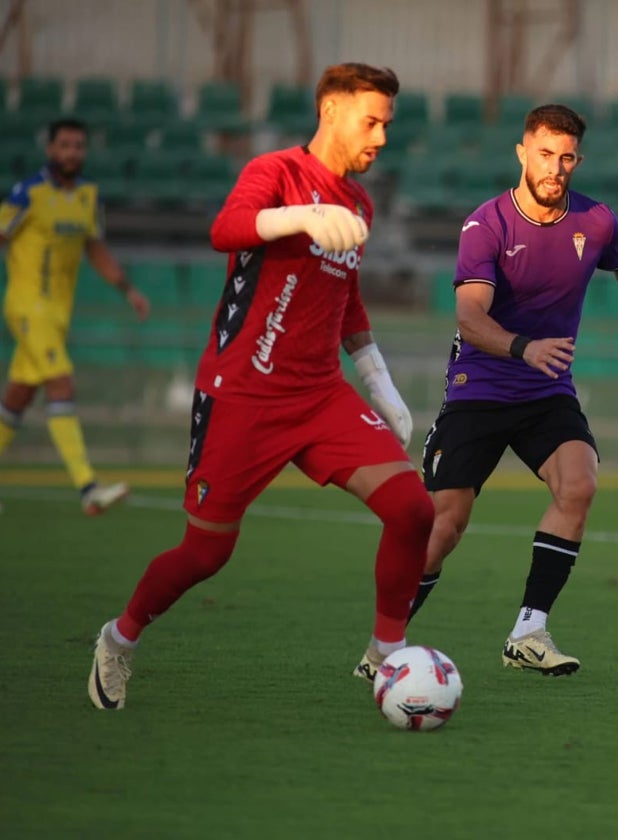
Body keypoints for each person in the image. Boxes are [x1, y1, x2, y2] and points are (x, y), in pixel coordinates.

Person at [87, 63, 433, 710]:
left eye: (388, 123)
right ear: (330, 110)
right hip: (242, 392)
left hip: (321, 394)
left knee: (413, 510)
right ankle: (118, 638)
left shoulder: (360, 203)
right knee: (204, 553)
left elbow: (346, 296)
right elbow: (226, 229)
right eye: (372, 120)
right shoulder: (273, 172)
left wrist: (376, 379)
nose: (382, 136)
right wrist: (299, 217)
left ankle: (386, 656)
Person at [400, 103, 618, 678]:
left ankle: (529, 631)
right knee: (445, 524)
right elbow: (469, 318)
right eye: (544, 154)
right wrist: (523, 347)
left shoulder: (597, 222)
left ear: (577, 161)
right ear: (522, 152)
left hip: (546, 392)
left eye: (566, 158)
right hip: (479, 389)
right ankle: (386, 642)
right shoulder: (485, 226)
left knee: (580, 483)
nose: (555, 168)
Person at [0, 117, 150, 515]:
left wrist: (127, 289)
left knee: (18, 397)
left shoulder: (89, 196)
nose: (71, 152)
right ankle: (87, 488)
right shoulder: (28, 193)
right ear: (50, 149)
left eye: (78, 146)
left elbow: (96, 248)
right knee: (61, 383)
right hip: (26, 308)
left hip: (57, 315)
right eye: (64, 145)